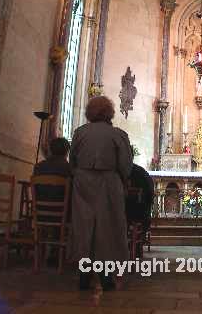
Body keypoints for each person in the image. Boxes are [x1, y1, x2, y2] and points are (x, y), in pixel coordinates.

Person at [68, 96, 133, 291]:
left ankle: (83, 276)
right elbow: (125, 164)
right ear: (109, 112)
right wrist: (122, 179)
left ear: (90, 112)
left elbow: (72, 161)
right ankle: (106, 277)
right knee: (108, 229)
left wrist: (82, 175)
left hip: (83, 184)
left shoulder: (79, 133)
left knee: (83, 227)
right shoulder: (117, 134)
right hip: (108, 184)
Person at [33, 137, 72, 265]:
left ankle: (45, 253)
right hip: (63, 215)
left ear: (50, 150)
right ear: (67, 151)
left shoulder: (38, 167)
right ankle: (65, 253)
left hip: (40, 213)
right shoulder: (69, 169)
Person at [125, 163, 154, 255]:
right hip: (142, 212)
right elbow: (150, 196)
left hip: (129, 212)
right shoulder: (141, 172)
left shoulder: (125, 172)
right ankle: (137, 246)